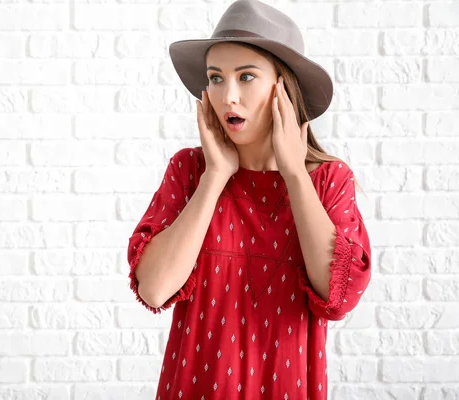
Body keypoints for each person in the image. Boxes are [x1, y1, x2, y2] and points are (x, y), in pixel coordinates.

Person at [126, 0, 372, 399]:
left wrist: (294, 173)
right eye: (216, 78)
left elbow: (338, 295)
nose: (228, 97)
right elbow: (153, 289)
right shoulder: (190, 172)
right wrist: (214, 177)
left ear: (283, 87)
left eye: (246, 76)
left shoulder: (328, 181)